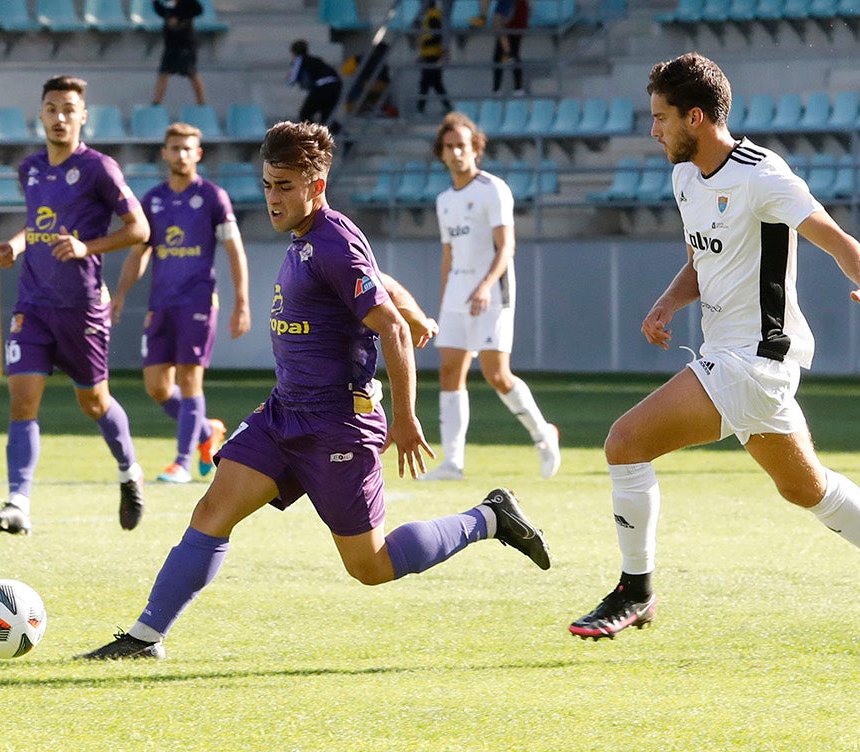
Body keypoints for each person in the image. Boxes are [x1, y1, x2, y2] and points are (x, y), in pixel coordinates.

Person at [78, 120, 551, 660]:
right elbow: (374, 281)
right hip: (285, 413)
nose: (272, 199)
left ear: (316, 186)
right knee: (211, 512)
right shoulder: (309, 237)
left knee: (369, 566)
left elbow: (389, 327)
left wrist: (405, 416)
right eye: (266, 185)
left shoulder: (332, 240)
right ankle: (145, 638)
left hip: (337, 424)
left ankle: (489, 518)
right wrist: (414, 305)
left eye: (284, 186)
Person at [567, 53, 860, 647]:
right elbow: (704, 259)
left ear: (696, 117)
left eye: (662, 117)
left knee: (625, 442)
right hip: (735, 359)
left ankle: (635, 593)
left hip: (756, 359)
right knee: (805, 488)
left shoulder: (762, 174)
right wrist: (668, 302)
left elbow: (835, 236)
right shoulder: (685, 174)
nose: (654, 130)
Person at [0, 75, 152, 536]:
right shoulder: (31, 169)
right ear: (40, 114)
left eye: (68, 109)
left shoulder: (99, 168)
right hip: (33, 303)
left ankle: (129, 471)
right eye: (51, 108)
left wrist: (86, 248)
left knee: (94, 403)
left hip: (81, 310)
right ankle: (18, 502)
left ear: (83, 117)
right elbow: (38, 224)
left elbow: (139, 230)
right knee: (22, 401)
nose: (59, 117)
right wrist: (17, 245)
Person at [419, 112, 560, 482]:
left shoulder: (493, 189)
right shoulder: (444, 200)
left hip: (492, 292)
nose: (455, 153)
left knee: (497, 375)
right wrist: (444, 301)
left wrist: (484, 285)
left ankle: (543, 435)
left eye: (462, 146)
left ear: (475, 149)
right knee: (450, 371)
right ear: (442, 153)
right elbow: (448, 255)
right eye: (449, 147)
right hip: (457, 295)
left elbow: (506, 246)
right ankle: (453, 463)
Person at [111, 122, 252, 485]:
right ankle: (207, 432)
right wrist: (122, 294)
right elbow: (139, 253)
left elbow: (234, 251)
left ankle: (181, 463)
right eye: (175, 148)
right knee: (157, 387)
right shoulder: (153, 200)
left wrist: (241, 302)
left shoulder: (213, 198)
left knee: (190, 380)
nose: (181, 154)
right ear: (165, 152)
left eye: (188, 149)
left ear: (198, 154)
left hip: (198, 302)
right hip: (161, 304)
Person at [151, 0, 207, 106]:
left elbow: (198, 10)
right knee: (163, 73)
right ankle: (156, 102)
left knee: (192, 73)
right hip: (171, 45)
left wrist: (180, 17)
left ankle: (201, 102)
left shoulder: (187, 4)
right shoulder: (169, 4)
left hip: (185, 45)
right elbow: (161, 12)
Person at [474, 0, 529, 95]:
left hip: (513, 15)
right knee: (506, 54)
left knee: (506, 53)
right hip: (516, 15)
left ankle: (506, 89)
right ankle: (514, 89)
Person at [287, 39, 343, 126]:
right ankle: (341, 134)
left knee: (305, 114)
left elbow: (291, 80)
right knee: (327, 116)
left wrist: (290, 77)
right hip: (335, 85)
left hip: (322, 87)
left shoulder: (299, 59)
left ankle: (314, 134)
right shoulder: (315, 59)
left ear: (294, 52)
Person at [416, 0, 453, 116]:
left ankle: (420, 108)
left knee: (426, 82)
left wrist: (427, 46)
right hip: (429, 55)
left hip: (433, 56)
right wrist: (422, 54)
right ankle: (447, 106)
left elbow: (437, 35)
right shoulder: (429, 15)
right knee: (435, 83)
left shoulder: (433, 15)